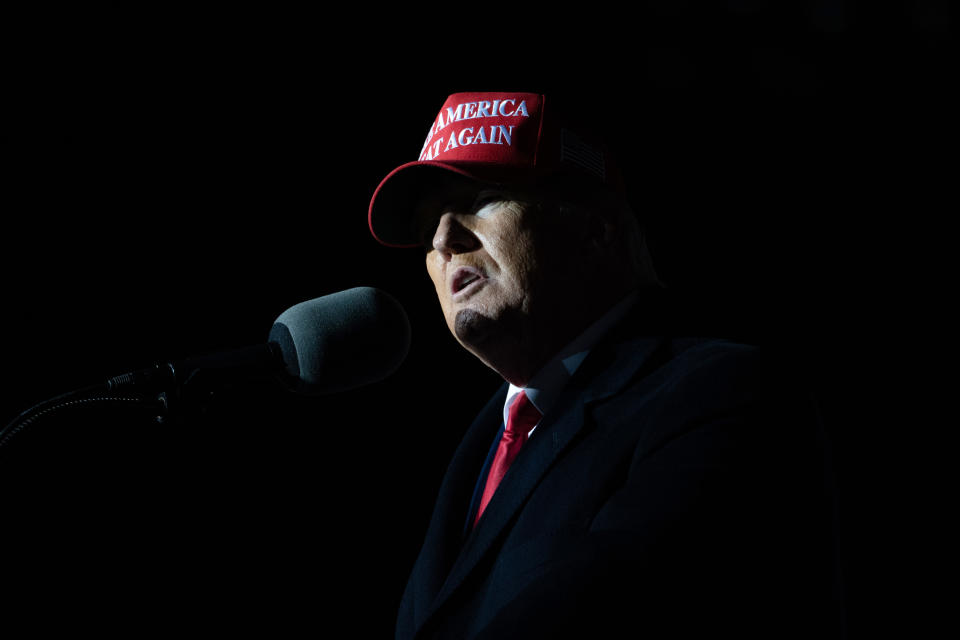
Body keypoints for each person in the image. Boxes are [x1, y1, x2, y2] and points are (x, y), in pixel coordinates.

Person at [368, 92, 845, 639]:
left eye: (487, 198)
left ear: (595, 228)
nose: (445, 239)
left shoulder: (723, 394)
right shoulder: (477, 453)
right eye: (430, 225)